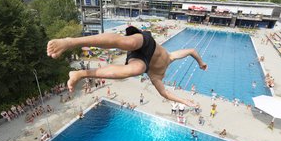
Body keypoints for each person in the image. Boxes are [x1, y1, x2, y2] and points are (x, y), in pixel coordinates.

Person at [47, 26, 208, 107]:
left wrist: (185, 102)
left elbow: (166, 94)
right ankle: (71, 42)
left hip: (141, 59)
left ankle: (81, 73)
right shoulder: (172, 57)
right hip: (147, 43)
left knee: (136, 70)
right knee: (128, 42)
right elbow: (192, 51)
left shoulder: (155, 77)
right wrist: (200, 63)